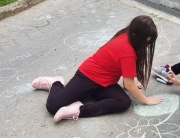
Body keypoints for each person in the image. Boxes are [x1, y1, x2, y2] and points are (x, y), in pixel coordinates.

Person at [32, 15, 163, 122]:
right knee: (53, 106)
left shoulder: (126, 34)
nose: (146, 45)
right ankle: (56, 83)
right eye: (145, 41)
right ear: (135, 35)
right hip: (87, 76)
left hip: (105, 82)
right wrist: (146, 100)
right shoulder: (128, 51)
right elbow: (129, 85)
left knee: (123, 102)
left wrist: (130, 84)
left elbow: (127, 78)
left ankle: (79, 110)